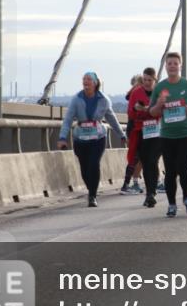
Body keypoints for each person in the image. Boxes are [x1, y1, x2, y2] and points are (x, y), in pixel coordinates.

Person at [149, 52, 187, 217]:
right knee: (171, 172)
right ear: (166, 67)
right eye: (169, 63)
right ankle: (172, 204)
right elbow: (152, 112)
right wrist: (159, 104)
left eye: (175, 63)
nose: (172, 66)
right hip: (167, 136)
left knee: (184, 168)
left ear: (180, 66)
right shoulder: (160, 87)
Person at [58, 71, 127, 207]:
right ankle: (91, 189)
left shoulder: (104, 100)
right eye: (84, 79)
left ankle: (92, 195)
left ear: (95, 83)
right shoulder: (76, 99)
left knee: (94, 164)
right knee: (84, 168)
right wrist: (62, 137)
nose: (86, 82)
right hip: (80, 138)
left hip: (98, 137)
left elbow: (111, 118)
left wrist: (121, 135)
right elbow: (68, 119)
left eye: (89, 79)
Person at [127, 68, 160, 208]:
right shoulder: (136, 93)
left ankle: (152, 191)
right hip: (142, 131)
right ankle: (150, 193)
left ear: (155, 80)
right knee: (146, 163)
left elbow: (165, 110)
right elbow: (130, 113)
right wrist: (135, 109)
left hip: (158, 132)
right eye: (145, 79)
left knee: (153, 160)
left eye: (150, 80)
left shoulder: (160, 93)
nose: (147, 82)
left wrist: (150, 110)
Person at [121, 74, 145, 194]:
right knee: (135, 157)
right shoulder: (136, 92)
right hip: (135, 127)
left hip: (139, 127)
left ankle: (133, 183)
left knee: (139, 157)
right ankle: (126, 185)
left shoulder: (136, 92)